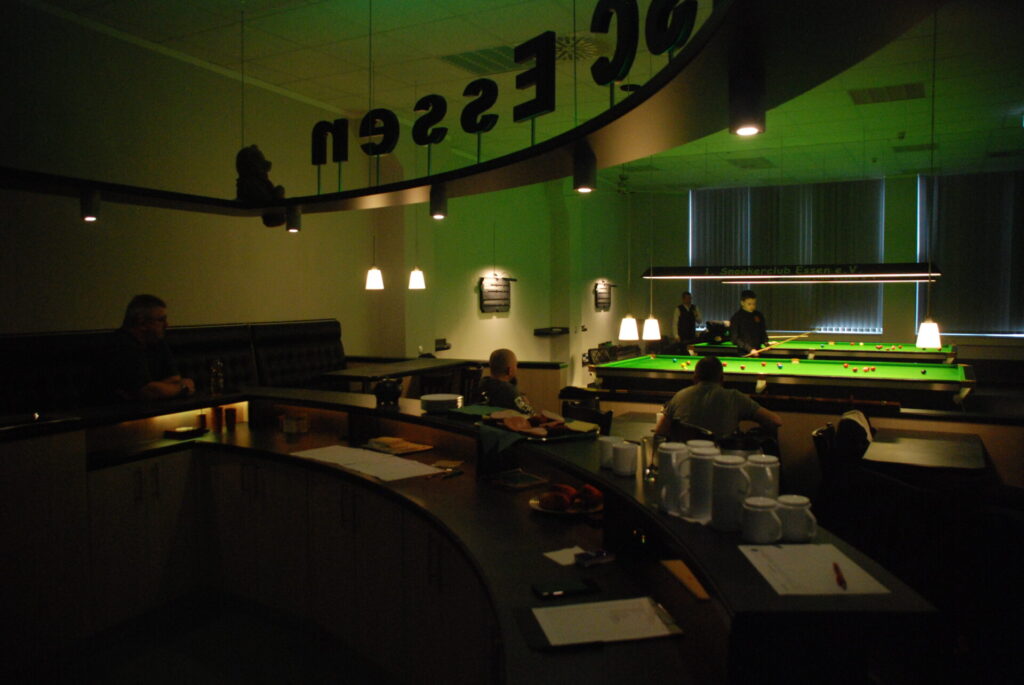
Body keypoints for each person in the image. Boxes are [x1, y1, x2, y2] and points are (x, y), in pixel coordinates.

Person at [655, 356, 782, 441]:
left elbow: (660, 432)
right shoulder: (734, 397)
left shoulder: (679, 396)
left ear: (694, 378)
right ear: (722, 379)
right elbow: (776, 421)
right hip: (723, 463)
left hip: (685, 463)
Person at [102, 294, 195, 401]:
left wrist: (157, 388)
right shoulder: (120, 345)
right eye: (161, 320)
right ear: (142, 323)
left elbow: (175, 379)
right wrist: (182, 388)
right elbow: (146, 392)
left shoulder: (157, 342)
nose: (167, 325)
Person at [473, 348, 534, 414]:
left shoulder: (481, 384)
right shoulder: (510, 391)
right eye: (516, 365)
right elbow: (529, 413)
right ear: (509, 370)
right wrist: (526, 404)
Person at [729, 289, 769, 356]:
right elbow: (734, 339)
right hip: (744, 353)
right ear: (742, 303)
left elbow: (762, 332)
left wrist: (766, 343)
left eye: (754, 304)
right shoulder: (736, 318)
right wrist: (750, 349)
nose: (752, 306)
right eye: (749, 304)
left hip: (758, 351)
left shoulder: (759, 315)